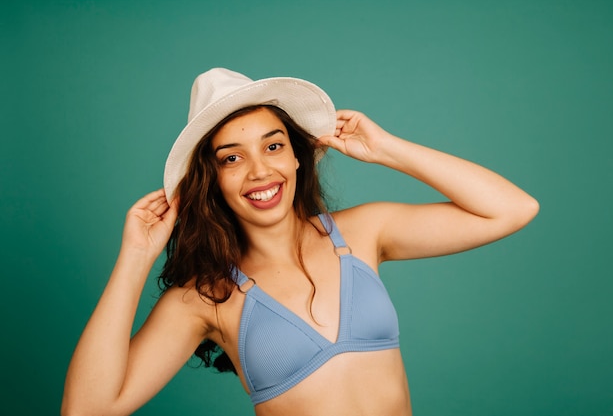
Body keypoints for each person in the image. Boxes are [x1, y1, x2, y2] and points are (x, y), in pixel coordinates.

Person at [61, 68, 539, 416]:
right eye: (231, 158)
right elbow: (86, 410)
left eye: (273, 146)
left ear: (296, 157)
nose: (260, 171)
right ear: (212, 181)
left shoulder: (363, 233)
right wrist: (136, 257)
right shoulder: (205, 298)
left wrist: (385, 149)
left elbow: (512, 209)